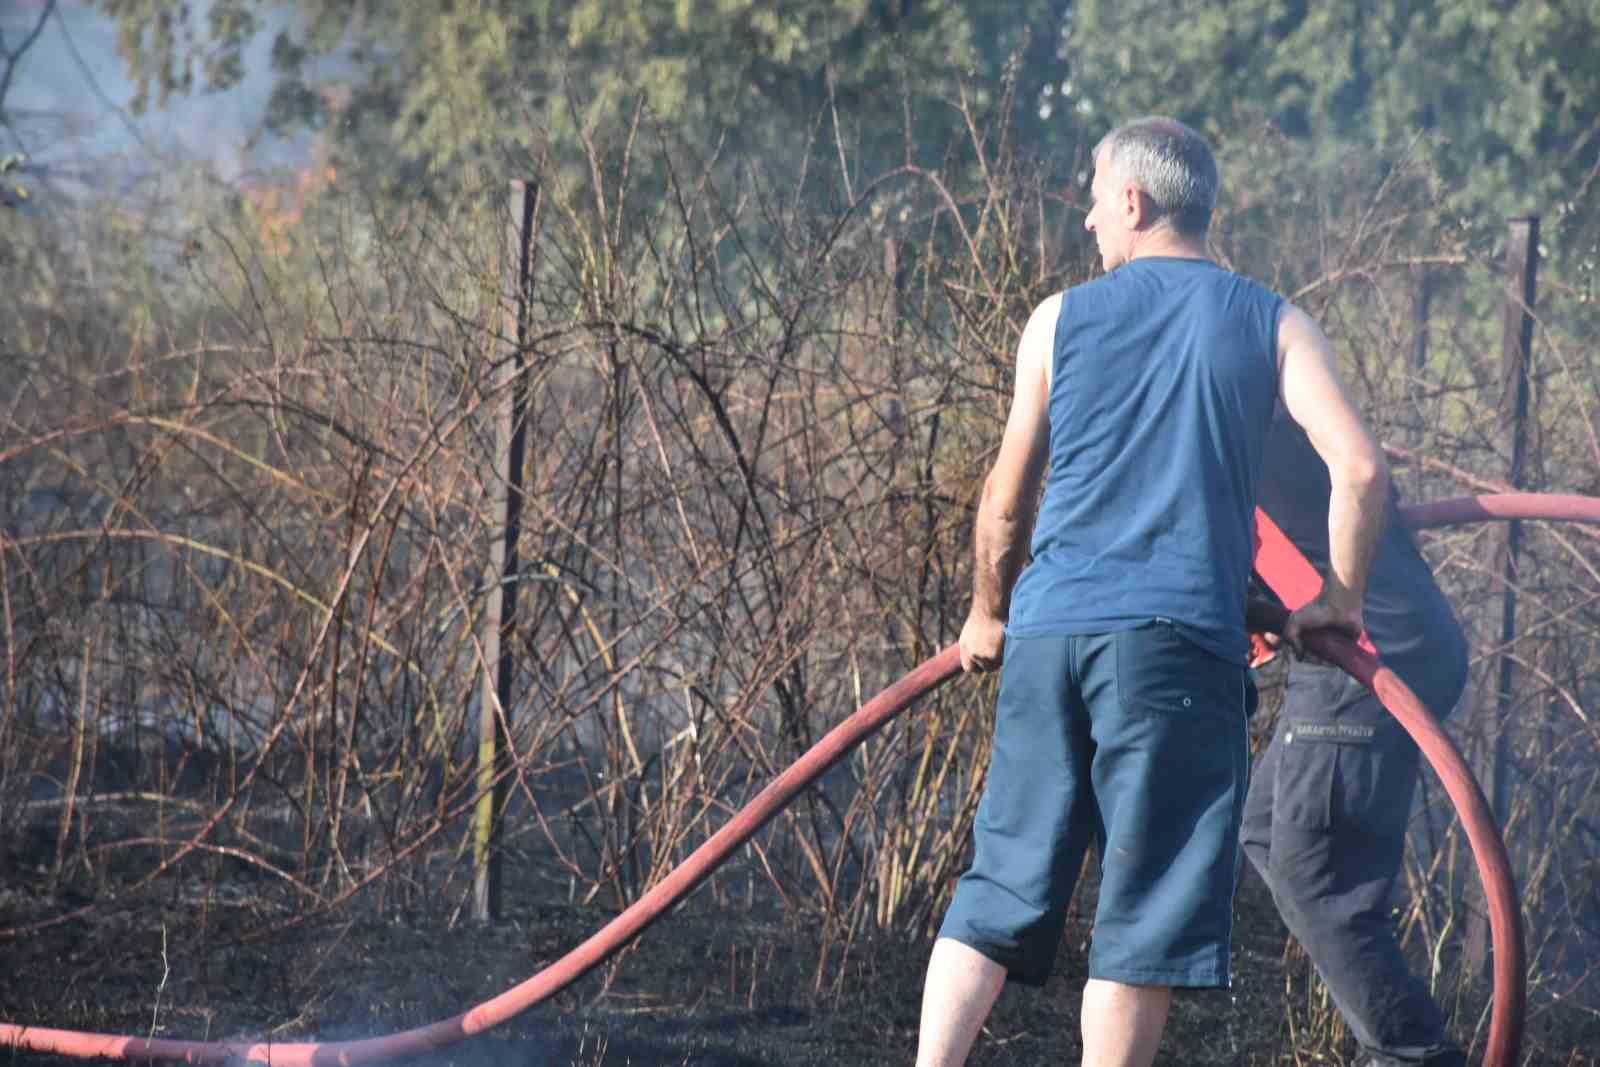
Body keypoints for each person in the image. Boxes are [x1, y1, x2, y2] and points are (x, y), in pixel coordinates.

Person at [914, 115, 1391, 1067]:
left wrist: (986, 614)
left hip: (1049, 638)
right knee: (1144, 914)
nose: (1089, 222)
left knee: (999, 887)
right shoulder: (1275, 321)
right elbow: (1363, 473)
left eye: (1094, 199)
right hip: (1176, 651)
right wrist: (1338, 598)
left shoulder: (1058, 320)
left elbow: (1006, 503)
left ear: (1133, 201)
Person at [1243, 408, 1470, 1067]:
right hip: (1359, 645)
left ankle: (1410, 1055)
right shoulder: (1257, 397)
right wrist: (1265, 603)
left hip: (1368, 650)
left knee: (1314, 870)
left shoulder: (1209, 416)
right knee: (1266, 830)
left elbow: (1364, 478)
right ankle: (1400, 1038)